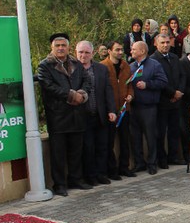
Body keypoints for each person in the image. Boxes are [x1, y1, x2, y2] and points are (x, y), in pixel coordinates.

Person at [38, 33, 92, 196]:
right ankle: (60, 184)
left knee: (76, 150)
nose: (61, 48)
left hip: (77, 114)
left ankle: (75, 179)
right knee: (58, 153)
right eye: (57, 46)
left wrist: (81, 94)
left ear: (69, 47)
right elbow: (48, 86)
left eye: (63, 45)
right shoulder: (45, 66)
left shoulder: (76, 63)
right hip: (58, 116)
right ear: (52, 48)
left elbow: (87, 81)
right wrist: (70, 95)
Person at [75, 40, 116, 186]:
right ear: (76, 53)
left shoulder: (101, 69)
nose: (83, 55)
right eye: (80, 52)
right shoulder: (72, 69)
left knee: (102, 146)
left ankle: (101, 174)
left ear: (92, 54)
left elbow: (108, 91)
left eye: (87, 52)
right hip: (82, 117)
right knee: (88, 148)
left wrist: (111, 110)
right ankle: (90, 176)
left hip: (100, 115)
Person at [128, 41, 168, 175]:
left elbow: (163, 82)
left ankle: (152, 163)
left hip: (149, 107)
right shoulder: (131, 66)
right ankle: (139, 163)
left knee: (151, 136)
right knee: (135, 137)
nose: (131, 51)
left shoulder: (154, 65)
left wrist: (148, 84)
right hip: (134, 106)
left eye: (134, 49)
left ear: (142, 51)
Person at [150, 34, 186, 168]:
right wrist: (172, 93)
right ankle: (162, 159)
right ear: (156, 44)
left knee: (174, 131)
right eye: (162, 43)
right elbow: (159, 80)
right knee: (160, 132)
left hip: (176, 102)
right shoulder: (153, 60)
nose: (165, 45)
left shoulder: (175, 57)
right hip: (163, 101)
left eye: (167, 42)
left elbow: (182, 76)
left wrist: (179, 92)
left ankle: (174, 156)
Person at [101, 41, 134, 179]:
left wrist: (131, 95)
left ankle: (124, 167)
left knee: (125, 140)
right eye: (117, 50)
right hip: (110, 110)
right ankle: (111, 170)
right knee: (109, 141)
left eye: (121, 50)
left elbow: (129, 83)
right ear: (109, 51)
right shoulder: (103, 66)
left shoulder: (125, 65)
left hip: (124, 109)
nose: (120, 52)